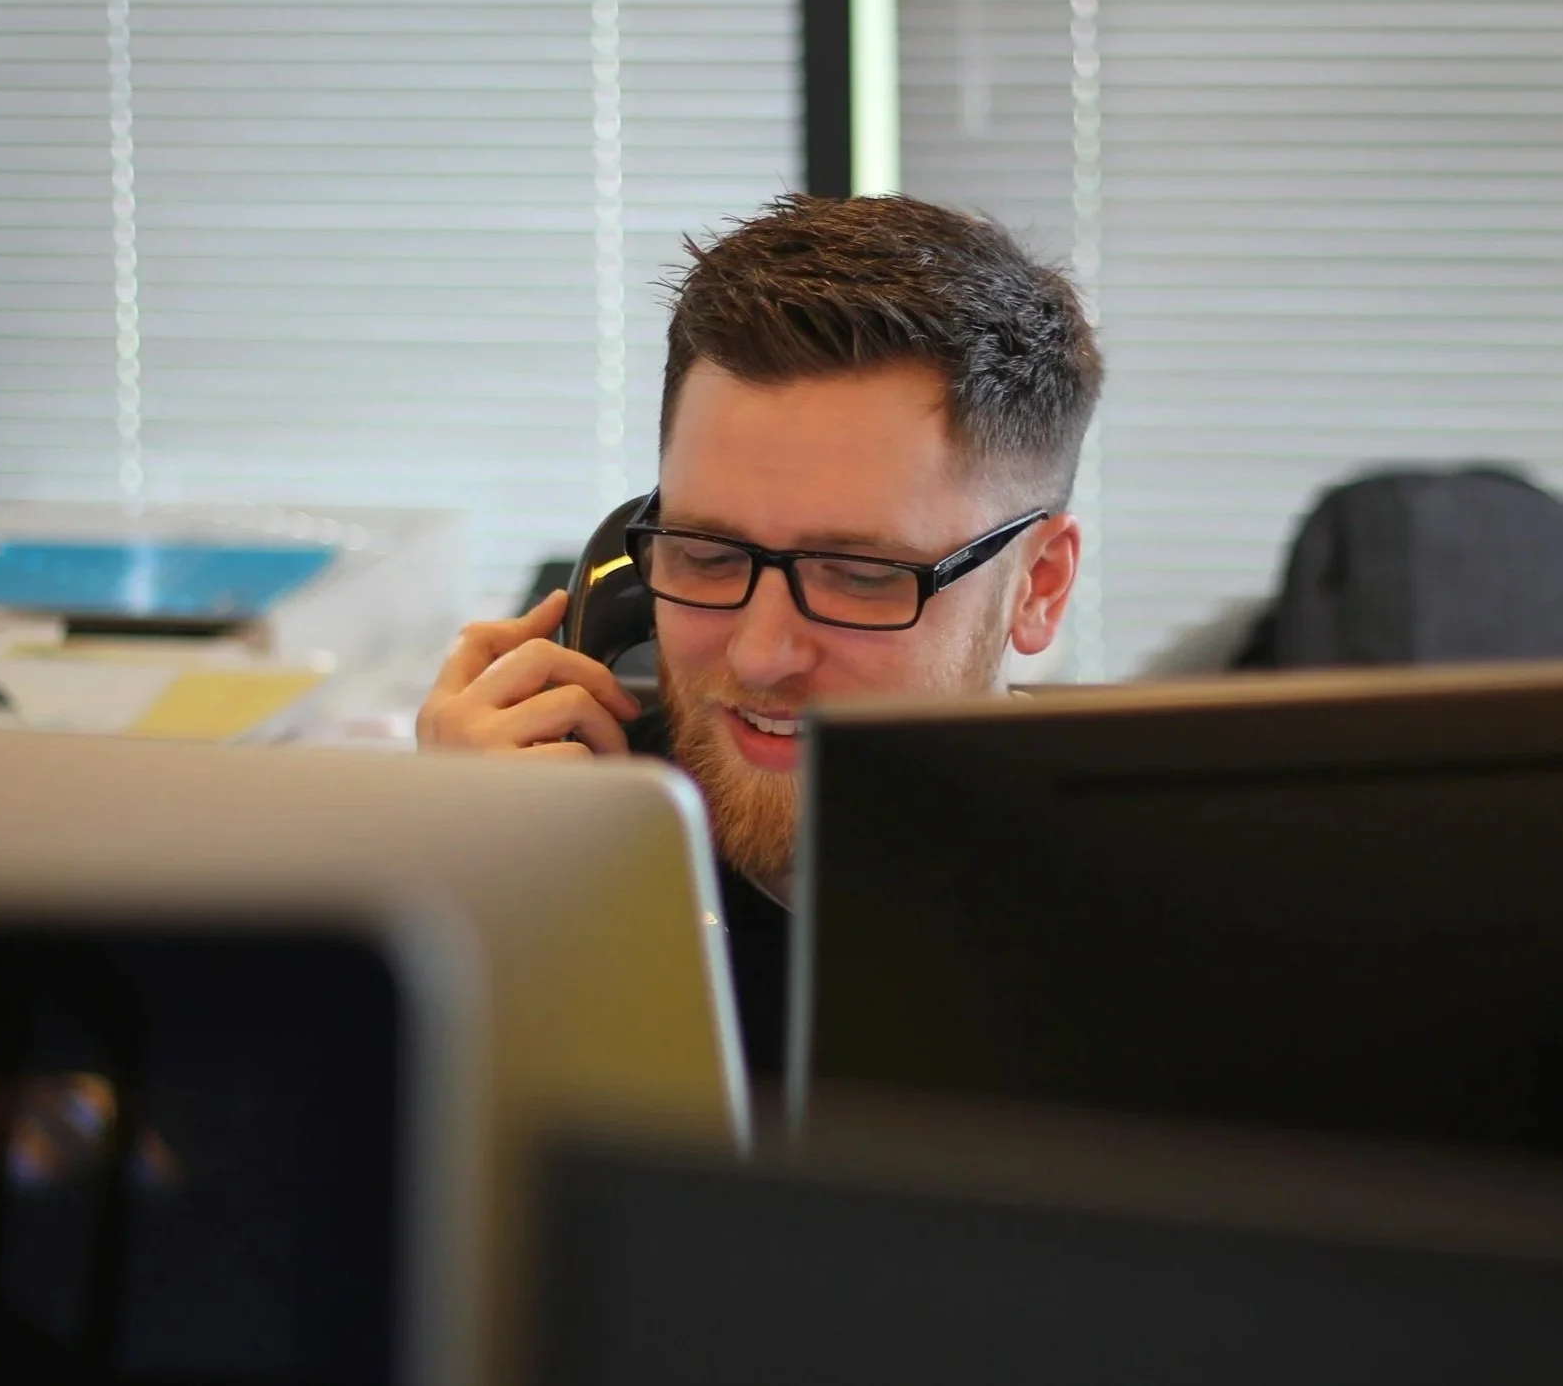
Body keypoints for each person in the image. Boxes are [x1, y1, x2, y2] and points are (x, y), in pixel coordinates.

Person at [416, 193, 1103, 1079]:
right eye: (705, 554)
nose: (759, 654)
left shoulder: (1155, 942)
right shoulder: (546, 850)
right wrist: (445, 890)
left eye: (859, 575)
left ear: (1038, 585)